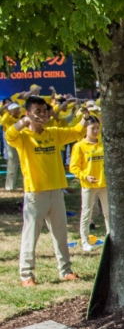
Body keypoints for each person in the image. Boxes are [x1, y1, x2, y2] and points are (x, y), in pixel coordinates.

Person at [7, 96, 82, 286]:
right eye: (37, 111)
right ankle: (26, 275)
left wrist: (87, 116)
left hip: (56, 191)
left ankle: (65, 270)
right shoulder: (23, 137)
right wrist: (24, 122)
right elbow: (9, 135)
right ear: (28, 113)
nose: (42, 115)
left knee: (60, 234)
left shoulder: (54, 133)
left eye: (44, 111)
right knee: (31, 235)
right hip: (35, 193)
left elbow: (77, 132)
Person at [68, 115, 108, 251]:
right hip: (88, 185)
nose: (96, 131)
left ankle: (110, 239)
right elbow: (73, 167)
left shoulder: (103, 143)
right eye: (93, 128)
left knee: (108, 213)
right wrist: (85, 176)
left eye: (98, 128)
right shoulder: (79, 146)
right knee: (87, 213)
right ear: (86, 128)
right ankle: (85, 241)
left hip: (104, 184)